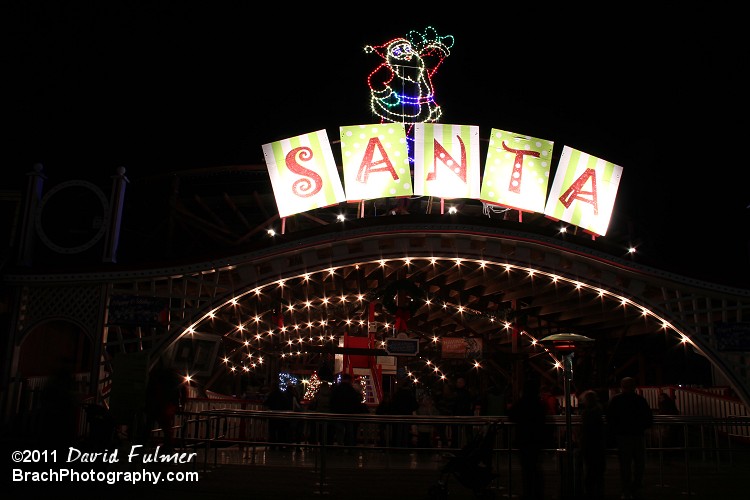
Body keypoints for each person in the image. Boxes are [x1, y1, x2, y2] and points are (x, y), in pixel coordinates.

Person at [606, 377, 653, 500]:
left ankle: (626, 489)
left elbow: (610, 419)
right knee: (639, 464)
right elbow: (648, 418)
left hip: (622, 436)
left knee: (625, 465)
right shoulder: (640, 400)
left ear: (622, 386)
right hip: (637, 435)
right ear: (634, 387)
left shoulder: (616, 400)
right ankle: (637, 487)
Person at [508, 378, 548, 500]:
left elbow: (511, 416)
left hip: (524, 440)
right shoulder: (539, 404)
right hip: (536, 440)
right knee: (536, 468)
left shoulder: (522, 403)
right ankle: (537, 493)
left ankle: (529, 492)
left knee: (527, 470)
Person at [145, 359, 187, 453]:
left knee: (149, 424)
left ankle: (143, 443)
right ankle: (168, 446)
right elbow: (183, 391)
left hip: (155, 404)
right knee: (166, 427)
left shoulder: (156, 378)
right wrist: (181, 404)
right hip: (168, 404)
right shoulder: (174, 379)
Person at [575, 390, 607, 500]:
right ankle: (599, 492)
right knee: (598, 471)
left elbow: (585, 430)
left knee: (589, 470)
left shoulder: (587, 413)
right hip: (598, 444)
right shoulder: (598, 411)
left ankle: (589, 492)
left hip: (589, 444)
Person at [330, 373, 367, 447]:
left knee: (339, 431)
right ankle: (349, 446)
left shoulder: (337, 389)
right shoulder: (351, 390)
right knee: (349, 431)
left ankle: (340, 445)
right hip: (349, 413)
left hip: (338, 413)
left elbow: (333, 401)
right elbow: (355, 402)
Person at [264, 379, 293, 449]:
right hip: (280, 415)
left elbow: (266, 403)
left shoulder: (271, 394)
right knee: (280, 431)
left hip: (273, 415)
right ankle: (280, 445)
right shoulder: (282, 395)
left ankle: (272, 445)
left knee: (272, 431)